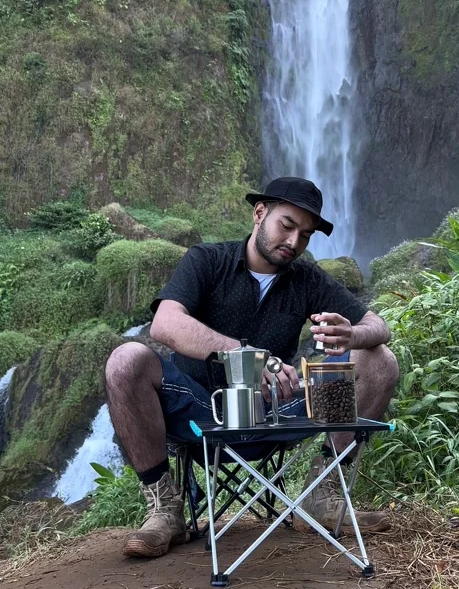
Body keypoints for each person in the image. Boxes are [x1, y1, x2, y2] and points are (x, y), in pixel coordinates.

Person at [105, 176, 399, 558]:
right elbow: (165, 323)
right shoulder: (207, 260)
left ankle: (323, 492)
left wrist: (352, 334)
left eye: (305, 235)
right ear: (260, 213)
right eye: (287, 225)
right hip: (200, 410)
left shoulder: (307, 278)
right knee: (125, 360)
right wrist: (250, 357)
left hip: (277, 411)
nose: (294, 241)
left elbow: (380, 326)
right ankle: (165, 508)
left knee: (378, 360)